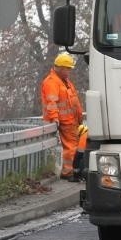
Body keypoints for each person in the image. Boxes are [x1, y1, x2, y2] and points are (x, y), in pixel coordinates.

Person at [41, 52, 84, 181]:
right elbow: (51, 102)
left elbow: (74, 101)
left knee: (75, 147)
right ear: (60, 68)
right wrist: (55, 118)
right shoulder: (52, 82)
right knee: (71, 148)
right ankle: (69, 172)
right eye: (67, 69)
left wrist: (79, 117)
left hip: (72, 121)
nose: (69, 71)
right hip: (64, 121)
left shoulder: (65, 81)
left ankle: (73, 171)